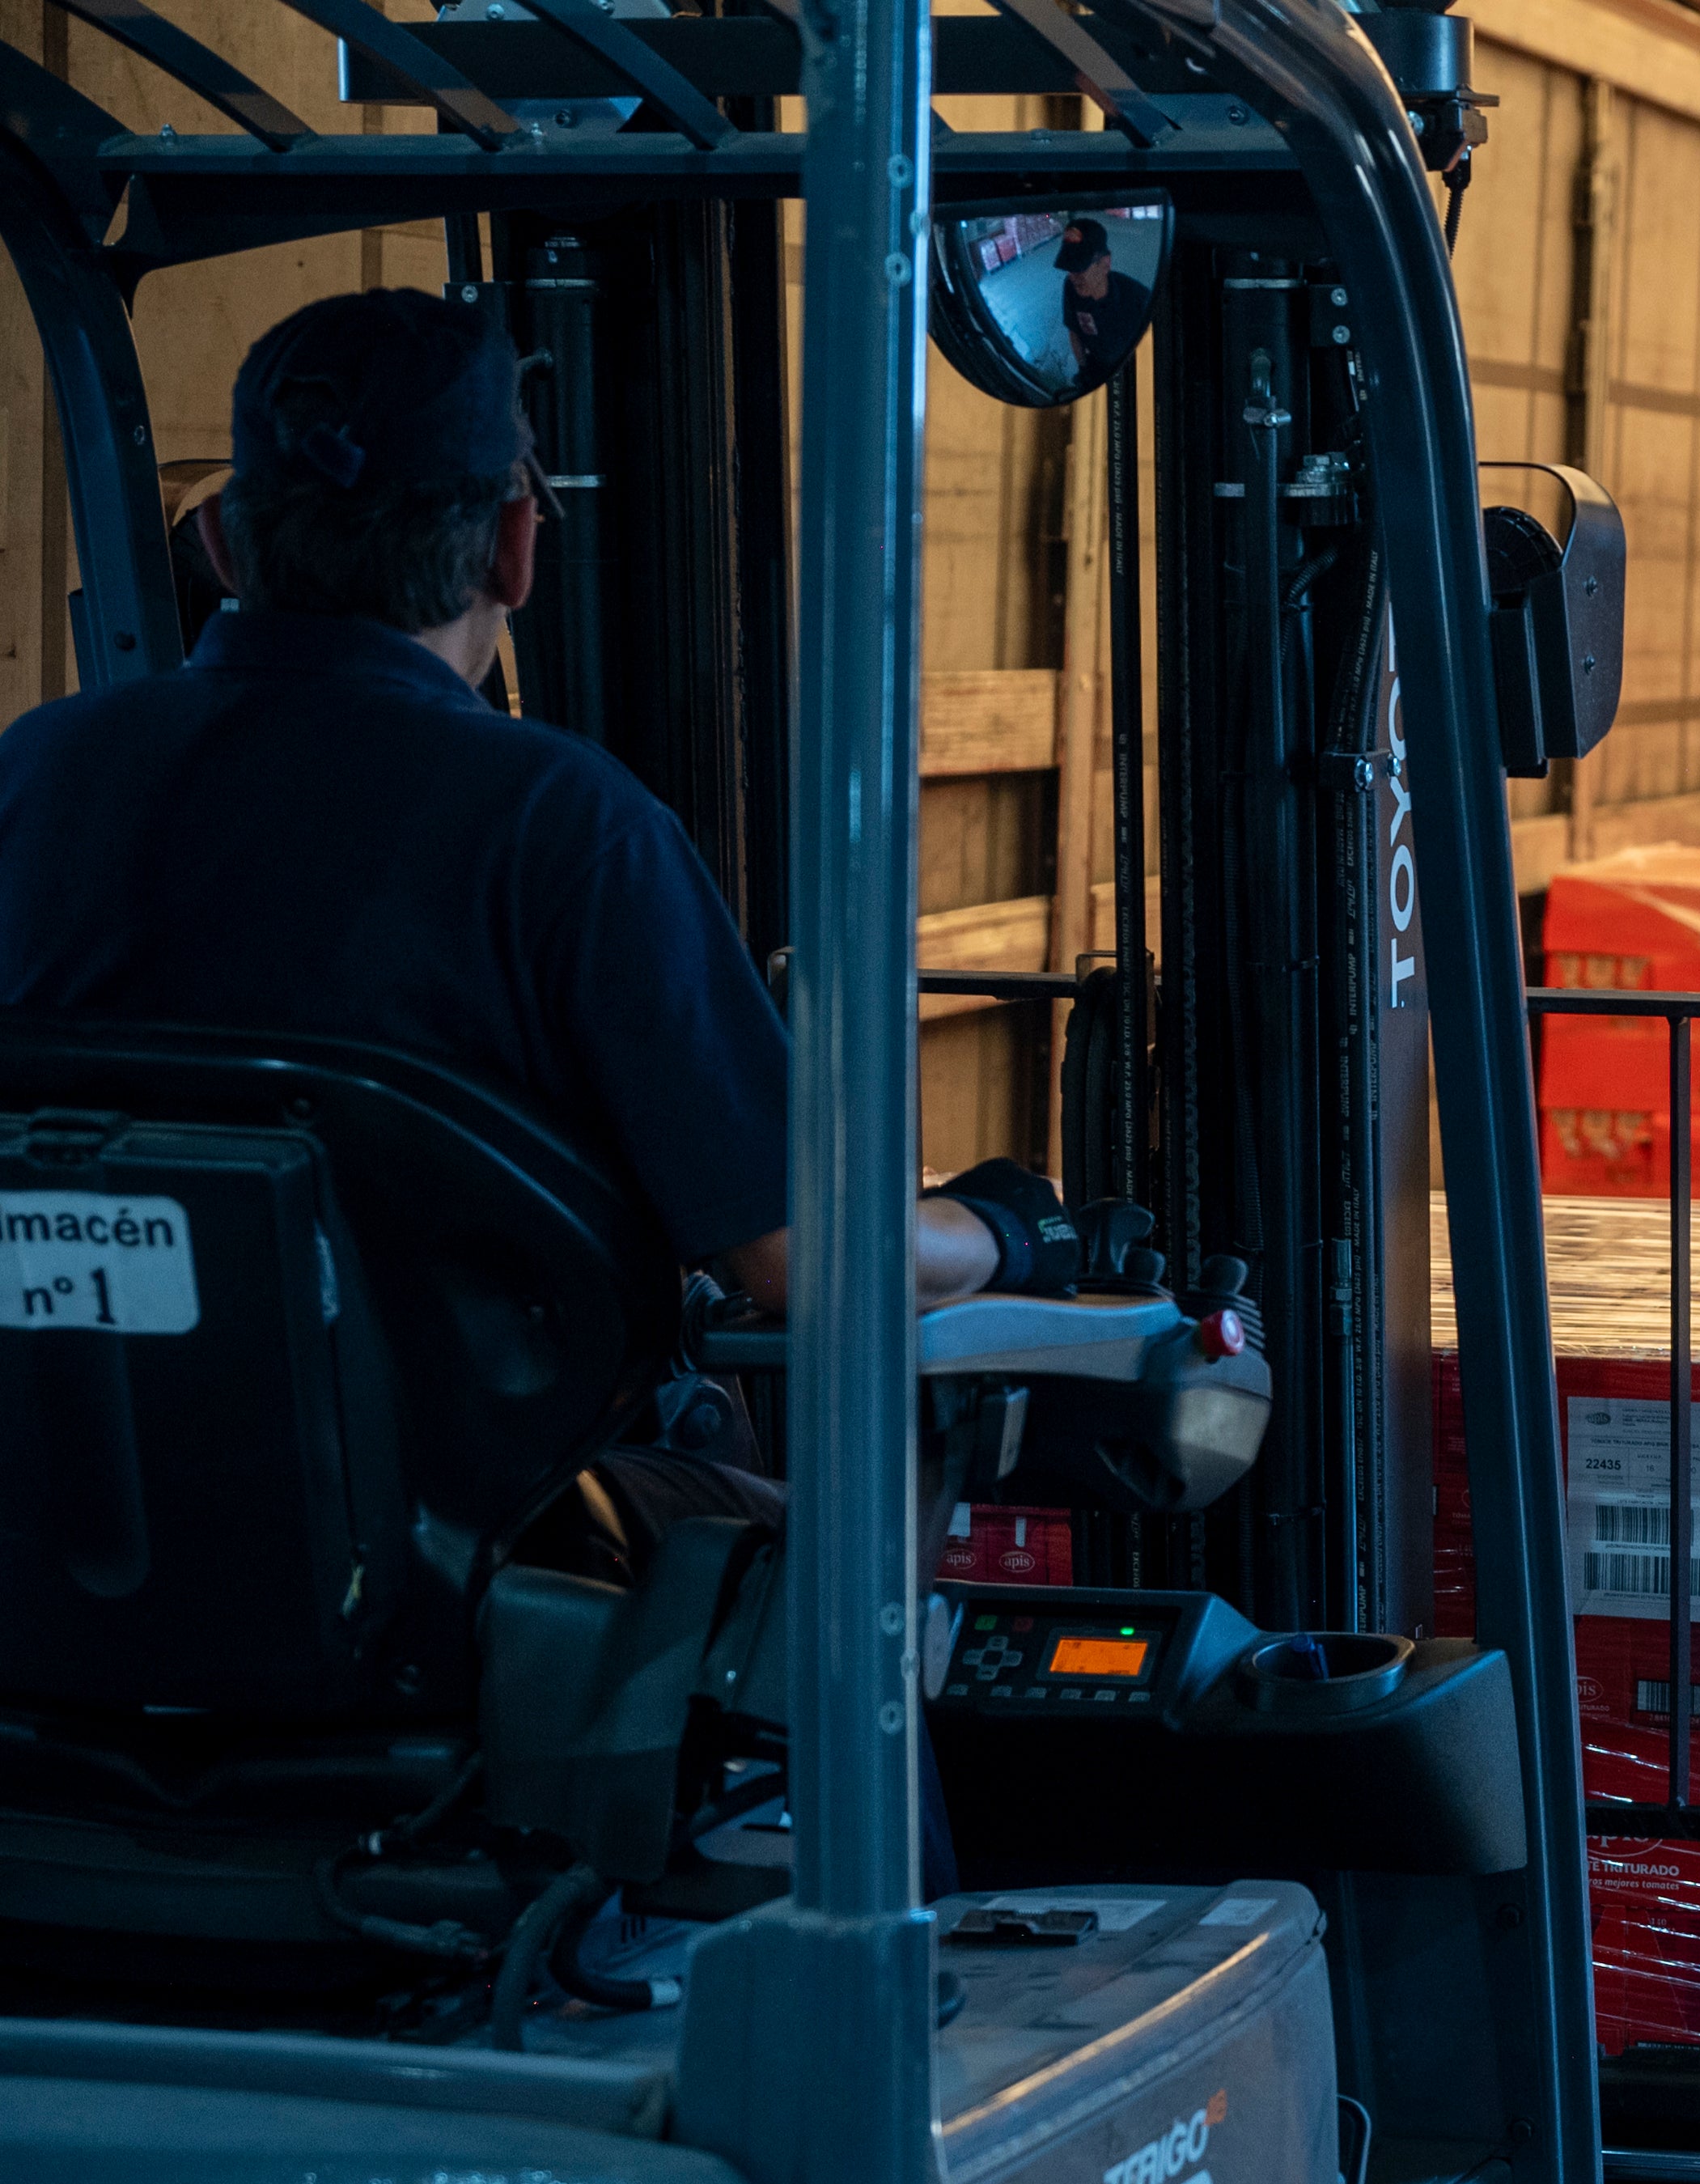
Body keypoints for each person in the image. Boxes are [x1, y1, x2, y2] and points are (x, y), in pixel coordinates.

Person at [0, 290, 1055, 1881]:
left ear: (221, 540)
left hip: (55, 1545)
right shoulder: (565, 832)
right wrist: (1006, 1237)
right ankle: (889, 2035)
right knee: (832, 1556)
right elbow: (793, 1259)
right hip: (449, 1570)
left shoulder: (32, 777)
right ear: (513, 548)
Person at [1057, 214, 1153, 384]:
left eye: (1080, 267)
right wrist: (1083, 369)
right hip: (1096, 364)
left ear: (1106, 263)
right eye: (1069, 268)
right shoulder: (1070, 287)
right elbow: (1074, 331)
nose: (1073, 277)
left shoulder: (1138, 298)